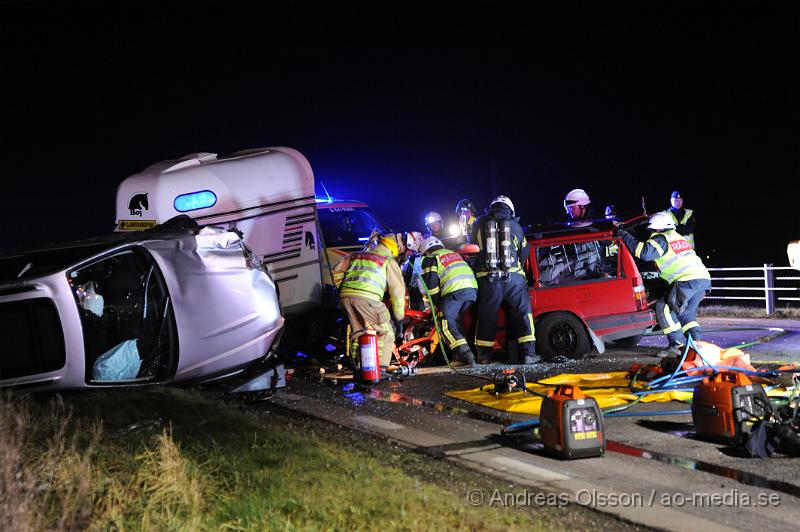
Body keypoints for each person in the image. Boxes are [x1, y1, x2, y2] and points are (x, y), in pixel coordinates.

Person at [615, 212, 711, 357]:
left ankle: (676, 343)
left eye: (651, 230)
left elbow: (644, 253)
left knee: (663, 307)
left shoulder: (661, 239)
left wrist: (622, 234)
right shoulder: (677, 237)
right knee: (686, 314)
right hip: (702, 279)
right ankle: (697, 345)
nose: (650, 234)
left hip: (687, 280)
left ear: (657, 228)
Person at [470, 195, 539, 364]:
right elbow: (524, 251)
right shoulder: (515, 226)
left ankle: (483, 356)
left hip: (487, 278)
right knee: (523, 313)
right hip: (514, 278)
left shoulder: (479, 224)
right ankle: (528, 354)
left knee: (486, 316)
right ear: (510, 209)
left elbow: (471, 249)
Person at [333, 234, 406, 369]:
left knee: (359, 331)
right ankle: (381, 367)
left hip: (346, 298)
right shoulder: (388, 261)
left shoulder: (357, 255)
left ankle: (358, 367)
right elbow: (397, 291)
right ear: (393, 248)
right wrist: (399, 316)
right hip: (367, 299)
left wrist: (341, 288)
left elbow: (336, 270)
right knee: (386, 331)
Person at [418, 236, 479, 366]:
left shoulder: (430, 258)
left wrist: (436, 305)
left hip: (454, 291)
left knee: (444, 324)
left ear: (426, 251)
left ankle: (466, 355)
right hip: (471, 291)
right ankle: (457, 358)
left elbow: (432, 286)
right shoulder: (454, 254)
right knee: (456, 324)